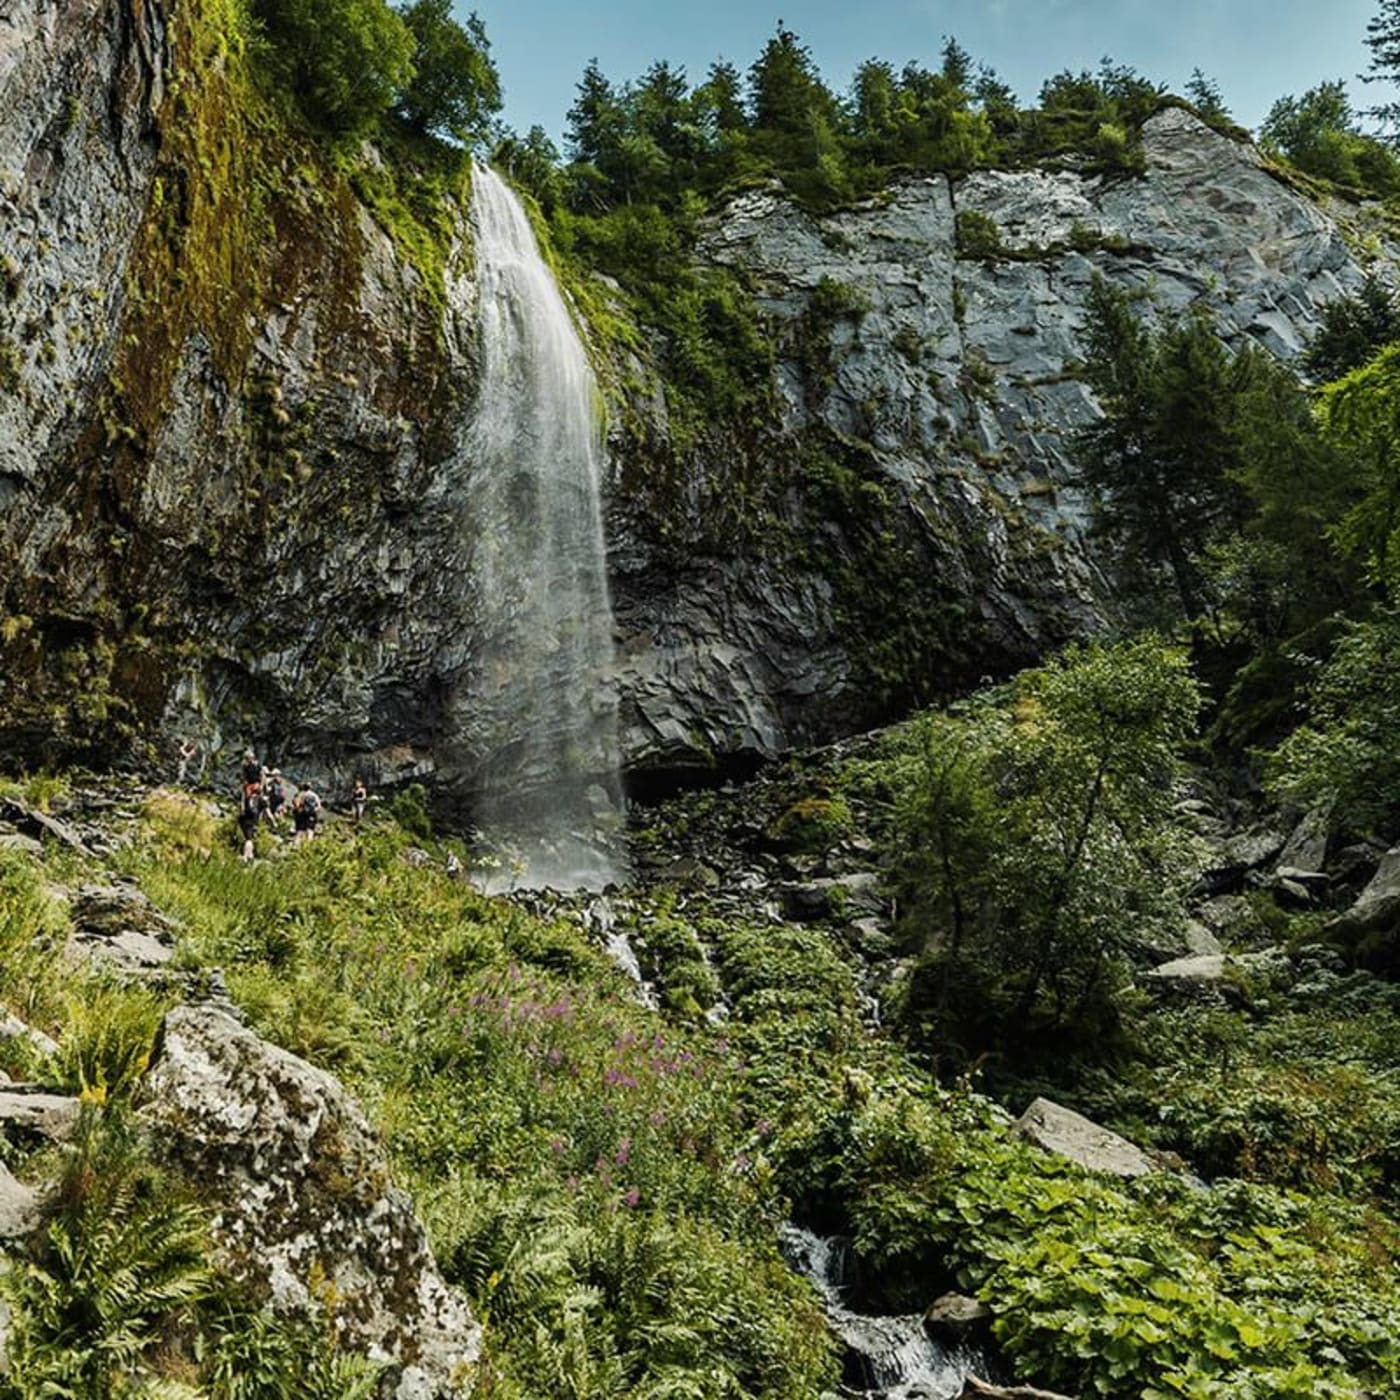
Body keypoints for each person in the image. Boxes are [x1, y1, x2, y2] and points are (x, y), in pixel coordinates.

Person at [237, 782, 264, 864]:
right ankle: (245, 856)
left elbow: (242, 807)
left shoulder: (248, 798)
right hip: (252, 820)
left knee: (249, 837)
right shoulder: (260, 799)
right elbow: (266, 811)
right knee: (249, 839)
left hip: (243, 819)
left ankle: (250, 855)